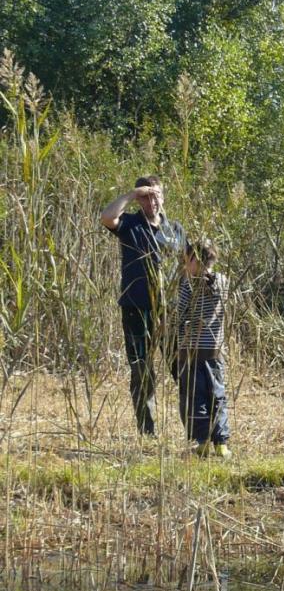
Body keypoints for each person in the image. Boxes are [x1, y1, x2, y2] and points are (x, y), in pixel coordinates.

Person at [100, 176, 187, 436]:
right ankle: (147, 432)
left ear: (164, 196)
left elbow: (187, 266)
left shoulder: (174, 230)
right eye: (146, 196)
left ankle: (195, 430)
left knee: (182, 369)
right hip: (136, 309)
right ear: (138, 200)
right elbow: (107, 217)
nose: (153, 201)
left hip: (169, 311)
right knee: (142, 370)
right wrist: (130, 193)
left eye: (156, 195)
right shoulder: (130, 224)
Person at [175, 240, 231, 456]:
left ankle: (202, 441)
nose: (183, 264)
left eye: (186, 259)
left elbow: (179, 315)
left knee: (194, 397)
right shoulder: (224, 282)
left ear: (194, 260)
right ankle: (221, 443)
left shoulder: (188, 284)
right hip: (215, 351)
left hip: (190, 351)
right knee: (217, 395)